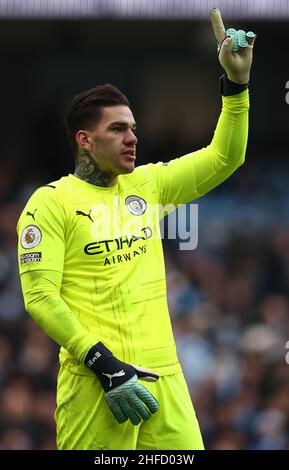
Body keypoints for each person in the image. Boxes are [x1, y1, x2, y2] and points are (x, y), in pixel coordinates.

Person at [17, 10, 256, 450]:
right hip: (96, 383)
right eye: (118, 129)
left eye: (134, 128)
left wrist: (236, 87)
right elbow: (41, 298)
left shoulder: (148, 184)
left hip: (165, 376)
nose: (133, 138)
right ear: (84, 140)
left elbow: (226, 157)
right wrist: (104, 364)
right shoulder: (49, 203)